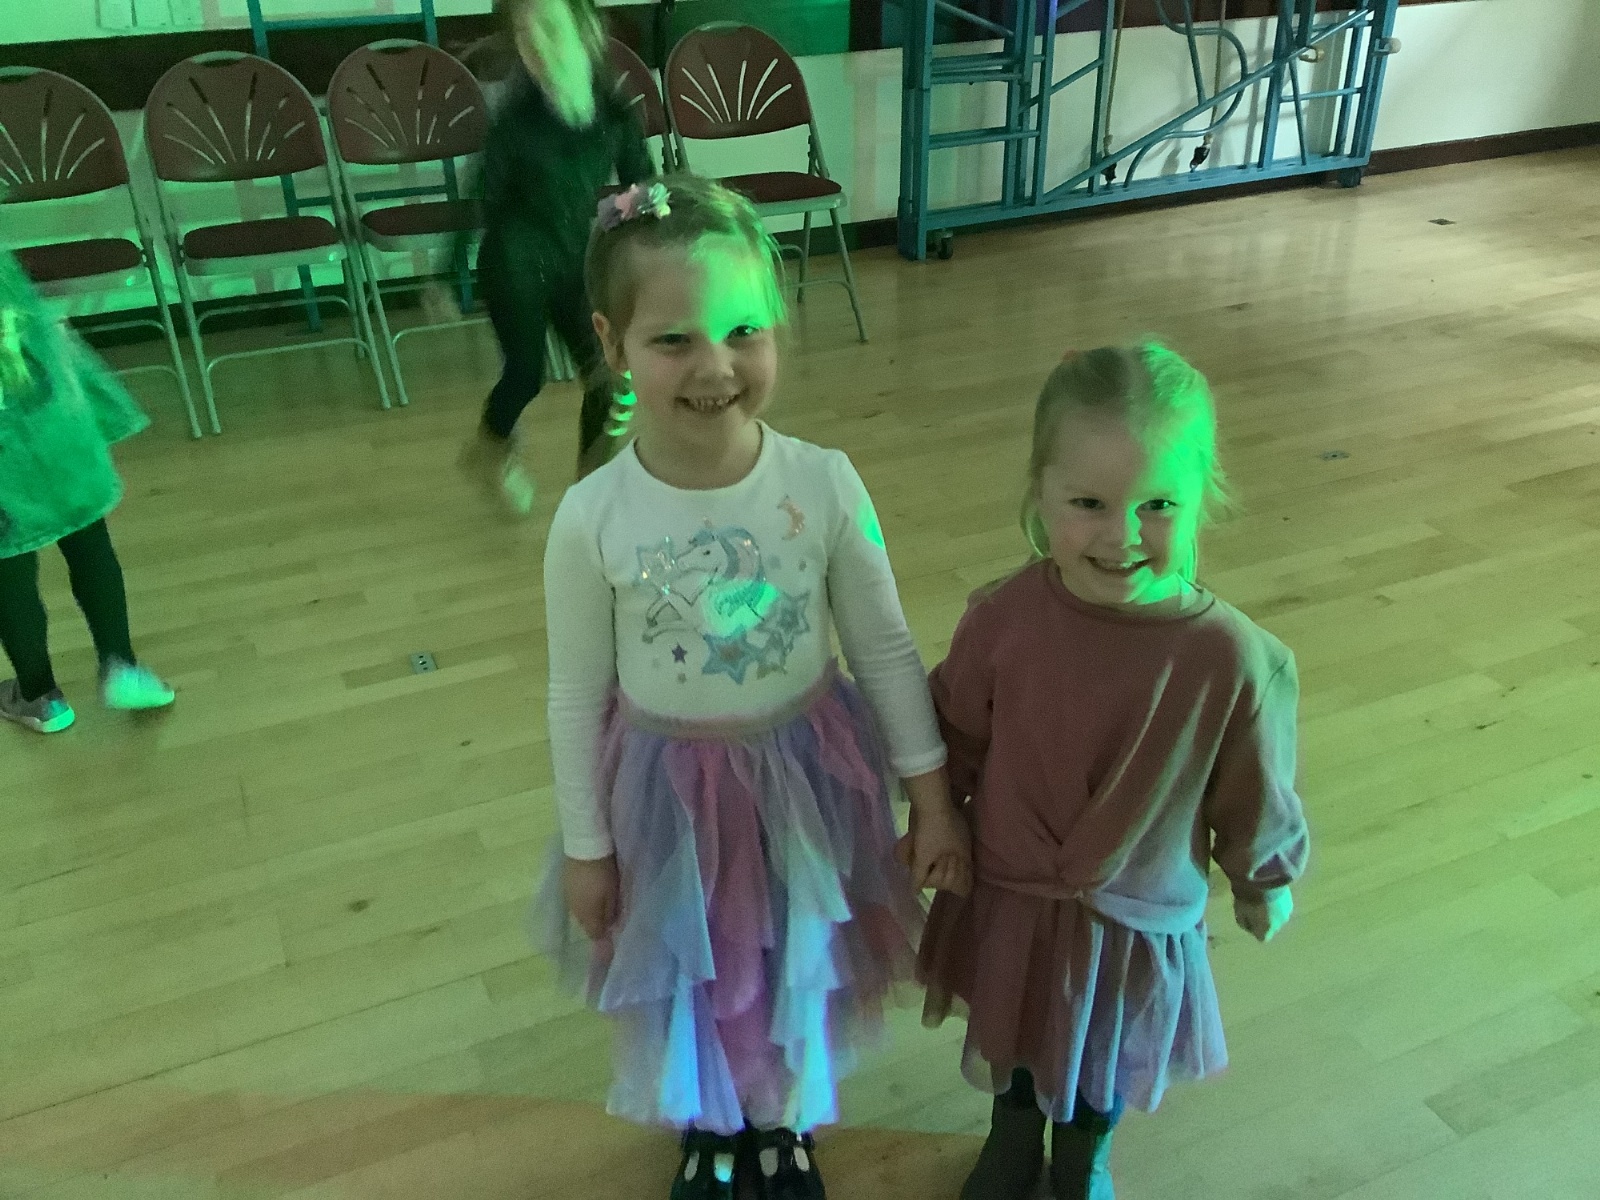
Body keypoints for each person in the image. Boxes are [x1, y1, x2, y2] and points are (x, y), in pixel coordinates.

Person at [535, 174, 972, 1200]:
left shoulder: (824, 482)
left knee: (795, 962)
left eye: (743, 330)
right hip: (666, 795)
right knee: (696, 972)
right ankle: (710, 1127)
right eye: (673, 339)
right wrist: (587, 847)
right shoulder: (592, 516)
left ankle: (782, 1124)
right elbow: (574, 694)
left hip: (808, 776)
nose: (715, 366)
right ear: (611, 344)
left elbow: (885, 649)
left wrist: (932, 799)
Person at [915, 342, 1310, 1200]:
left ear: (1201, 500)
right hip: (1014, 890)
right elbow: (953, 729)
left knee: (1103, 1044)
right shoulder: (1004, 619)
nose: (1123, 534)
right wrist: (933, 818)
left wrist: (1263, 878)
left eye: (1158, 505)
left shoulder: (1234, 659)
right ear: (1040, 495)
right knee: (1016, 1028)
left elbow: (1255, 790)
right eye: (1089, 503)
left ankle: (1084, 1152)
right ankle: (1012, 1135)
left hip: (1134, 910)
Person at [454, 0, 654, 516]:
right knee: (526, 374)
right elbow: (480, 200)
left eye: (548, 28)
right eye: (524, 36)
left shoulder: (613, 113)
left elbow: (643, 188)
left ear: (585, 29)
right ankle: (490, 446)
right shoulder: (516, 121)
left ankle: (591, 490)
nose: (537, 45)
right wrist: (448, 274)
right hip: (512, 261)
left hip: (571, 257)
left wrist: (614, 225)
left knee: (610, 379)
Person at [0, 248, 175, 734]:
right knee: (89, 542)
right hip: (54, 424)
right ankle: (122, 666)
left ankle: (39, 695)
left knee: (9, 567)